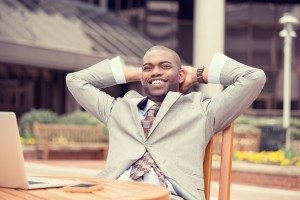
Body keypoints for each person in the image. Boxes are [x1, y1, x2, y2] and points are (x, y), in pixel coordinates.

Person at [66, 45, 266, 200]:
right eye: (148, 68)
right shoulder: (118, 108)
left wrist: (197, 74)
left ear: (180, 75)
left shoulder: (203, 110)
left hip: (171, 195)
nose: (155, 72)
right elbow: (75, 80)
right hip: (116, 191)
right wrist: (140, 73)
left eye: (165, 66)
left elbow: (254, 77)